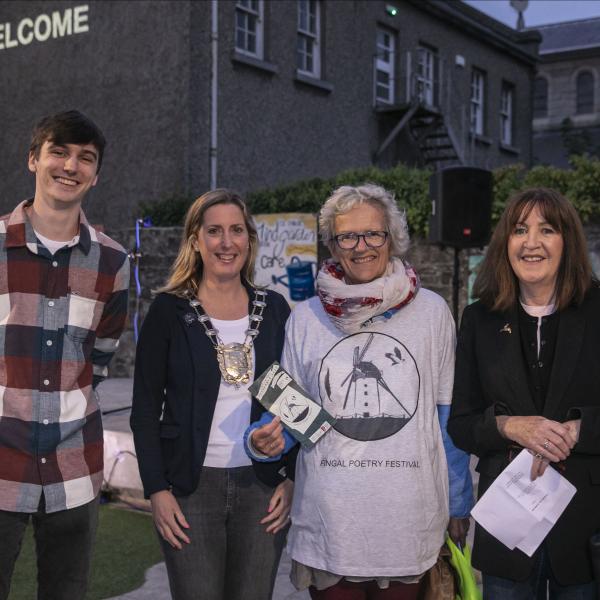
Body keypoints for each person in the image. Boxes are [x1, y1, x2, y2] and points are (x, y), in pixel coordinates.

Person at [245, 184, 473, 600]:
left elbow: (446, 419)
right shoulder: (306, 319)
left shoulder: (432, 313)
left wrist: (458, 504)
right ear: (333, 245)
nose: (361, 246)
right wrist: (263, 440)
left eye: (373, 234)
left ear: (392, 237)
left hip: (408, 521)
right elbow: (292, 414)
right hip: (331, 525)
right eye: (347, 236)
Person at [130, 189, 296, 600]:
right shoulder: (169, 311)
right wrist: (157, 490)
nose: (227, 242)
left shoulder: (275, 309)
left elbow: (292, 399)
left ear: (249, 240)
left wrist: (292, 477)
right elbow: (145, 408)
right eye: (215, 231)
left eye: (236, 230)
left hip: (262, 490)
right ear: (195, 240)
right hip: (189, 489)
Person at [0, 110, 130, 600]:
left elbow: (99, 356)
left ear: (96, 174)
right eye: (59, 151)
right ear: (33, 159)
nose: (71, 165)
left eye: (85, 158)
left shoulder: (113, 262)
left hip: (74, 467)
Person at [448, 187, 600, 599]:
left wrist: (578, 429)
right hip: (508, 527)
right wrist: (511, 426)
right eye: (519, 230)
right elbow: (461, 424)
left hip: (585, 526)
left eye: (546, 230)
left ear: (566, 241)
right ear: (506, 243)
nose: (531, 242)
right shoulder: (478, 318)